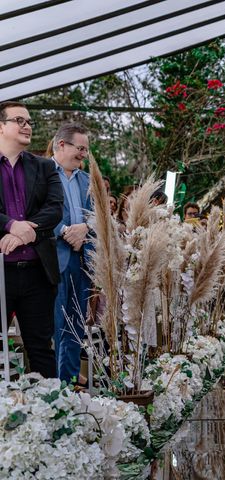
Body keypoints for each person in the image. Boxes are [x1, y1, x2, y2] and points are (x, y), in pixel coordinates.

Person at [0, 101, 63, 378]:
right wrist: (11, 225)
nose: (27, 126)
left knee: (40, 348)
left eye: (29, 121)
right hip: (1, 272)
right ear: (1, 127)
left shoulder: (45, 166)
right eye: (19, 120)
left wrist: (27, 231)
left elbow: (55, 207)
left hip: (38, 272)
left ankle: (51, 415)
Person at [51, 123, 93, 384]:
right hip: (54, 259)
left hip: (82, 260)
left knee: (76, 327)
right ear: (61, 144)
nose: (83, 155)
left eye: (86, 150)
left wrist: (85, 228)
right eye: (80, 148)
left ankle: (69, 385)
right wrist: (66, 230)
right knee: (56, 327)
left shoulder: (87, 180)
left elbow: (99, 216)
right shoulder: (42, 173)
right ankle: (53, 388)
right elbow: (33, 212)